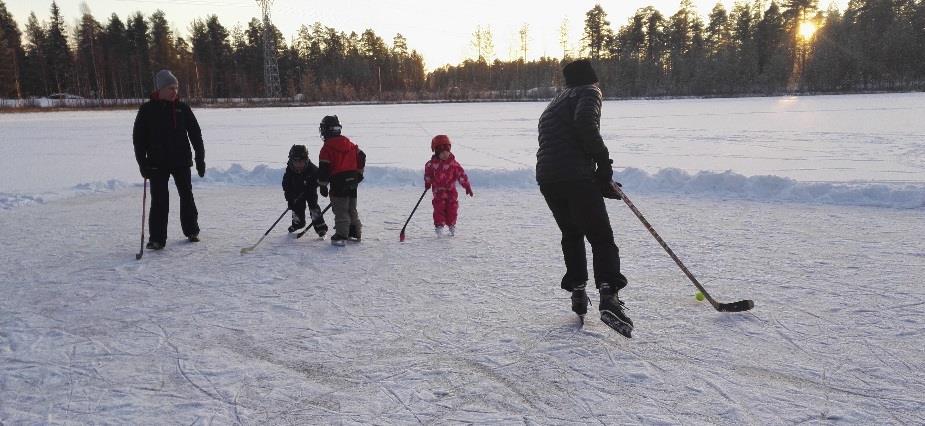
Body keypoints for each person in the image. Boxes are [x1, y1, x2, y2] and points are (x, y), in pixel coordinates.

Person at [536, 59, 633, 337]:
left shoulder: (556, 102)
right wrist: (603, 166)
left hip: (549, 178)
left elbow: (561, 142)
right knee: (601, 237)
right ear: (591, 78)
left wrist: (598, 180)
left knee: (572, 233)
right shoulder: (589, 92)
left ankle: (578, 292)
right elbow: (585, 125)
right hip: (575, 177)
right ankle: (609, 295)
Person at [133, 69, 205, 250]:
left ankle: (192, 230)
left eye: (176, 88)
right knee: (159, 200)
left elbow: (195, 134)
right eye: (171, 88)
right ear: (160, 89)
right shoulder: (147, 110)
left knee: (186, 196)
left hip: (181, 161)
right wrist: (143, 163)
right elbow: (139, 139)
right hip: (157, 164)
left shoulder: (183, 108)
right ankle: (157, 239)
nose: (175, 91)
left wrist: (200, 158)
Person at [317, 115, 365, 246]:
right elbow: (362, 156)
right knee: (351, 207)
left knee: (341, 209)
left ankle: (342, 235)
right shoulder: (349, 143)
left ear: (326, 130)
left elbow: (324, 169)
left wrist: (322, 185)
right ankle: (355, 233)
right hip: (352, 180)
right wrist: (359, 174)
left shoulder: (326, 148)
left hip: (338, 182)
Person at [424, 135, 473, 236]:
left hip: (451, 193)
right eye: (442, 152)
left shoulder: (454, 164)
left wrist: (466, 186)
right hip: (438, 193)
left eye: (447, 151)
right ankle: (439, 226)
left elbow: (461, 175)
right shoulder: (431, 165)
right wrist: (428, 183)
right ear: (437, 153)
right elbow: (428, 174)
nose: (445, 154)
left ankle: (451, 225)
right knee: (439, 209)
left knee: (452, 209)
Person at [282, 144, 328, 237]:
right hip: (296, 192)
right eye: (296, 162)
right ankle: (298, 224)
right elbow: (286, 185)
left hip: (310, 192)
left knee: (314, 207)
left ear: (306, 160)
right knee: (296, 207)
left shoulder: (312, 169)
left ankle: (320, 227)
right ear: (291, 161)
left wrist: (318, 185)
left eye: (301, 162)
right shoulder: (289, 170)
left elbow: (321, 178)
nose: (299, 165)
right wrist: (289, 198)